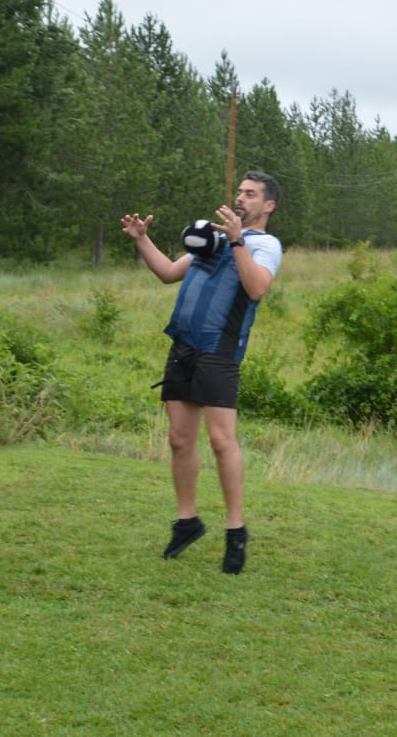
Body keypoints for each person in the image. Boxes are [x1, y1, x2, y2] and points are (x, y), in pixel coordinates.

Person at [120, 172, 283, 575]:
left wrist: (237, 240)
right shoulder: (210, 238)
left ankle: (236, 531)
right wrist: (142, 239)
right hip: (183, 346)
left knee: (220, 440)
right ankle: (188, 522)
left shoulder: (265, 245)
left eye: (251, 195)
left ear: (268, 206)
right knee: (178, 439)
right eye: (240, 192)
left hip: (219, 350)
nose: (241, 199)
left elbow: (257, 287)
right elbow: (169, 273)